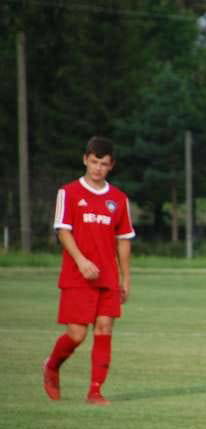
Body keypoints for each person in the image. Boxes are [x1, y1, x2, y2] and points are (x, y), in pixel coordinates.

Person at [43, 136, 135, 405]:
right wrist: (81, 261)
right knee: (77, 334)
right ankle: (51, 366)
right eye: (94, 162)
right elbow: (63, 231)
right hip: (77, 275)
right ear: (85, 159)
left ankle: (95, 391)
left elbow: (124, 239)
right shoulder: (68, 192)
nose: (98, 168)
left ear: (111, 166)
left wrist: (125, 278)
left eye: (104, 164)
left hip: (107, 276)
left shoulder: (118, 199)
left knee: (104, 329)